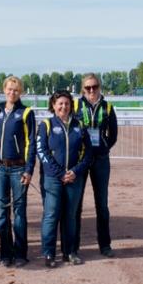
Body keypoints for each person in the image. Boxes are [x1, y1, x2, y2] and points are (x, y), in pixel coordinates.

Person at [36, 90, 91, 267]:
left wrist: (75, 171)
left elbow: (88, 153)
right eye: (60, 103)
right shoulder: (46, 125)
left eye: (67, 103)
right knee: (51, 215)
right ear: (53, 105)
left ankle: (70, 252)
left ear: (71, 106)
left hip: (74, 178)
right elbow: (42, 151)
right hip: (53, 179)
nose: (63, 107)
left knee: (71, 217)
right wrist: (60, 173)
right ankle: (48, 253)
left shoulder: (79, 126)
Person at [0, 76, 35, 267]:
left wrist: (28, 169)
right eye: (9, 89)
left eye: (15, 90)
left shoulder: (26, 113)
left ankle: (20, 254)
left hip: (18, 169)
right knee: (2, 213)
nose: (12, 93)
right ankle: (5, 254)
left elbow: (31, 143)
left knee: (19, 212)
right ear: (4, 90)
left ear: (20, 92)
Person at [75, 73, 119, 257]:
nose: (91, 90)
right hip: (81, 160)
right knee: (76, 205)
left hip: (100, 161)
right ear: (83, 89)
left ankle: (105, 245)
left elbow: (113, 134)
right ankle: (73, 246)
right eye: (88, 88)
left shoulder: (107, 107)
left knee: (102, 205)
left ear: (99, 87)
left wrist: (103, 147)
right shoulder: (76, 105)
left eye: (94, 87)